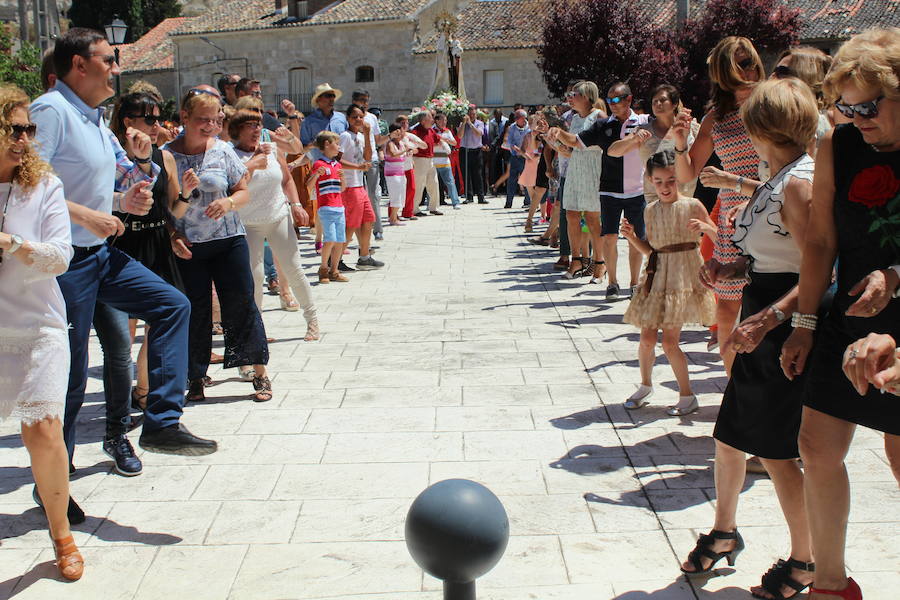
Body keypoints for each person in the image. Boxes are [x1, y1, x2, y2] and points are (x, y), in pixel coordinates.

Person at [30, 30, 216, 481]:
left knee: (172, 305)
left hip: (99, 256)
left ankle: (161, 423)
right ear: (79, 65)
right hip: (63, 263)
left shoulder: (93, 118)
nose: (117, 68)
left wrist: (125, 196)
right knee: (71, 374)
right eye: (108, 59)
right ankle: (55, 480)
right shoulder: (51, 111)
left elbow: (124, 175)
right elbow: (27, 184)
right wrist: (89, 215)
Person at [679, 78, 821, 600]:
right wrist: (728, 266)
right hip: (762, 316)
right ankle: (724, 531)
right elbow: (771, 255)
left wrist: (770, 320)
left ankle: (805, 561)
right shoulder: (774, 177)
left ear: (763, 128)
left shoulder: (798, 183)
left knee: (779, 453)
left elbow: (818, 269)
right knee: (731, 436)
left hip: (782, 328)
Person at [780, 28, 900, 600]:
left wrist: (895, 276)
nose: (857, 119)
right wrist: (804, 323)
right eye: (847, 108)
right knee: (816, 446)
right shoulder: (839, 144)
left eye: (868, 107)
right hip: (851, 318)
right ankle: (829, 587)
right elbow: (822, 239)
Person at [0, 84, 84, 581]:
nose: (24, 138)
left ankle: (61, 534)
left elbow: (59, 257)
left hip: (39, 327)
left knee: (43, 431)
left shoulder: (44, 186)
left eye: (28, 129)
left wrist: (12, 244)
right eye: (14, 128)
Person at [165, 89, 272, 404]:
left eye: (215, 120)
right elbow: (166, 209)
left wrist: (228, 203)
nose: (210, 126)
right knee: (194, 311)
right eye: (203, 120)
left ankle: (259, 372)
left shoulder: (223, 150)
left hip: (228, 241)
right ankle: (195, 377)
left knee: (241, 305)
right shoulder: (167, 155)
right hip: (189, 246)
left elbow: (243, 192)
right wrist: (173, 233)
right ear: (184, 117)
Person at [673, 37, 765, 374]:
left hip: (772, 210)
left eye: (749, 62)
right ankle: (733, 387)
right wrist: (680, 142)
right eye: (736, 65)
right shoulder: (716, 118)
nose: (746, 71)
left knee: (767, 301)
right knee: (727, 310)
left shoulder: (772, 104)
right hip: (730, 220)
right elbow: (688, 173)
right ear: (722, 73)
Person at [107, 92, 196, 425]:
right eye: (149, 119)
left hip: (158, 243)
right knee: (123, 335)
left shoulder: (165, 157)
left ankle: (143, 391)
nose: (157, 125)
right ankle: (118, 407)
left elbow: (173, 212)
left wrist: (186, 195)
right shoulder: (111, 156)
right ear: (128, 121)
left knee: (160, 323)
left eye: (158, 118)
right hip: (123, 245)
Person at [621, 149, 715, 416]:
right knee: (646, 338)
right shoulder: (650, 210)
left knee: (670, 342)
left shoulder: (693, 205)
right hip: (657, 276)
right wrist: (631, 237)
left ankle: (687, 395)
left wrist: (706, 228)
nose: (664, 187)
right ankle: (645, 385)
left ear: (679, 179)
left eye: (671, 180)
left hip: (682, 277)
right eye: (659, 181)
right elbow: (652, 250)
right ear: (650, 180)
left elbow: (719, 237)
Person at [230, 109, 319, 341]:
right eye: (250, 126)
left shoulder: (273, 149)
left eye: (258, 125)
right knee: (255, 276)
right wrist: (252, 164)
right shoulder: (230, 155)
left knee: (293, 269)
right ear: (237, 130)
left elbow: (287, 179)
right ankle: (257, 330)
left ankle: (312, 320)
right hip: (248, 223)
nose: (256, 130)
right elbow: (232, 186)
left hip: (278, 216)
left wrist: (296, 205)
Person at [340, 104, 384, 270]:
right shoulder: (345, 136)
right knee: (352, 224)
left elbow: (367, 157)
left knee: (368, 220)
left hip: (359, 184)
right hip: (350, 185)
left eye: (360, 117)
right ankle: (335, 260)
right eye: (354, 117)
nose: (358, 120)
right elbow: (337, 159)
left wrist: (366, 135)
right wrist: (357, 167)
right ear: (348, 119)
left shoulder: (360, 136)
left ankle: (364, 256)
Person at [307, 131, 347, 283]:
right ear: (327, 144)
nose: (339, 147)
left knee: (340, 240)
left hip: (339, 207)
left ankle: (334, 270)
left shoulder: (338, 165)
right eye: (336, 144)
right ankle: (323, 268)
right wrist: (316, 175)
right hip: (326, 207)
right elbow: (309, 186)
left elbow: (342, 188)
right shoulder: (319, 164)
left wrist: (343, 179)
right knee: (330, 239)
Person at [351, 90, 388, 240]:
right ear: (354, 101)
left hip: (371, 159)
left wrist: (390, 136)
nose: (365, 103)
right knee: (356, 196)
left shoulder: (372, 118)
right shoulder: (351, 117)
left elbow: (378, 140)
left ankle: (377, 229)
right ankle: (356, 230)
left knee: (373, 194)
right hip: (354, 160)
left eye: (366, 100)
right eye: (361, 100)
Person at [300, 83, 348, 165]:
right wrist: (313, 145)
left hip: (342, 168)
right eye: (328, 96)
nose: (332, 99)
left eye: (333, 96)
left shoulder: (341, 118)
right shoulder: (308, 122)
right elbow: (302, 149)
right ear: (318, 100)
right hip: (321, 168)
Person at [410, 110, 443, 216]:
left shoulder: (430, 130)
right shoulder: (415, 131)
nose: (432, 120)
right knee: (419, 184)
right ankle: (415, 209)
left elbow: (437, 140)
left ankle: (434, 207)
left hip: (430, 160)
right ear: (423, 120)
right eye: (430, 117)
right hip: (419, 160)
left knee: (434, 183)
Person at [519, 115, 545, 232]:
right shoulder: (528, 135)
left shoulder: (542, 135)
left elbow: (537, 151)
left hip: (539, 163)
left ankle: (542, 216)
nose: (531, 125)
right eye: (530, 123)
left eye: (533, 122)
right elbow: (524, 149)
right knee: (531, 190)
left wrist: (535, 137)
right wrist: (525, 155)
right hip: (530, 163)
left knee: (540, 192)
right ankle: (533, 216)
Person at [457, 104, 487, 204]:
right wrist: (464, 124)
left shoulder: (480, 123)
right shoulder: (462, 124)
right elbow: (459, 136)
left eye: (474, 114)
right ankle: (469, 196)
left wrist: (470, 124)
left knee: (478, 174)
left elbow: (478, 133)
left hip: (476, 151)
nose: (472, 116)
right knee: (466, 174)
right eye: (470, 114)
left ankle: (481, 197)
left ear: (476, 115)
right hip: (465, 151)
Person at [434, 112, 461, 209]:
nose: (444, 122)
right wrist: (438, 142)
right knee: (432, 183)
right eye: (442, 120)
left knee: (450, 182)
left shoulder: (447, 131)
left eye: (445, 120)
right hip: (433, 161)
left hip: (445, 160)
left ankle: (455, 202)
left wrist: (445, 140)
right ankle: (432, 203)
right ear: (437, 121)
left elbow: (454, 143)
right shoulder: (431, 131)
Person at [505, 109, 530, 209]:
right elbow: (509, 141)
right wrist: (514, 148)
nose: (515, 119)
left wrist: (523, 151)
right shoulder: (512, 127)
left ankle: (527, 201)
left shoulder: (529, 128)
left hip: (526, 158)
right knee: (512, 180)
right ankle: (508, 202)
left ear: (523, 118)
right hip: (515, 157)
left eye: (517, 117)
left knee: (527, 181)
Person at [384, 124, 407, 224]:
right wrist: (406, 150)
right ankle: (393, 218)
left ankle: (394, 217)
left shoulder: (401, 143)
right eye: (399, 132)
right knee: (395, 195)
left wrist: (409, 151)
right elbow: (393, 154)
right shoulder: (390, 143)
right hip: (392, 174)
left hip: (401, 172)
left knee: (401, 195)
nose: (401, 134)